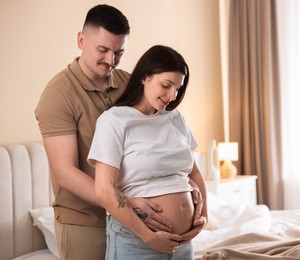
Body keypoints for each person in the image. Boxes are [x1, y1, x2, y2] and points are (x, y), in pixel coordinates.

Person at [35, 5, 203, 259]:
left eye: (119, 52)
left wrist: (179, 179)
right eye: (103, 50)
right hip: (84, 220)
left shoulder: (129, 82)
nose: (111, 60)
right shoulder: (58, 95)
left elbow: (154, 140)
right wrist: (124, 202)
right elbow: (65, 173)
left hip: (139, 217)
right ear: (81, 40)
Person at [87, 45, 208, 259]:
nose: (172, 95)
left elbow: (195, 174)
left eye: (178, 89)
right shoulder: (114, 121)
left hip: (182, 244)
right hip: (137, 241)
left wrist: (203, 216)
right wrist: (148, 236)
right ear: (145, 77)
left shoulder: (176, 119)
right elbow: (104, 189)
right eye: (166, 85)